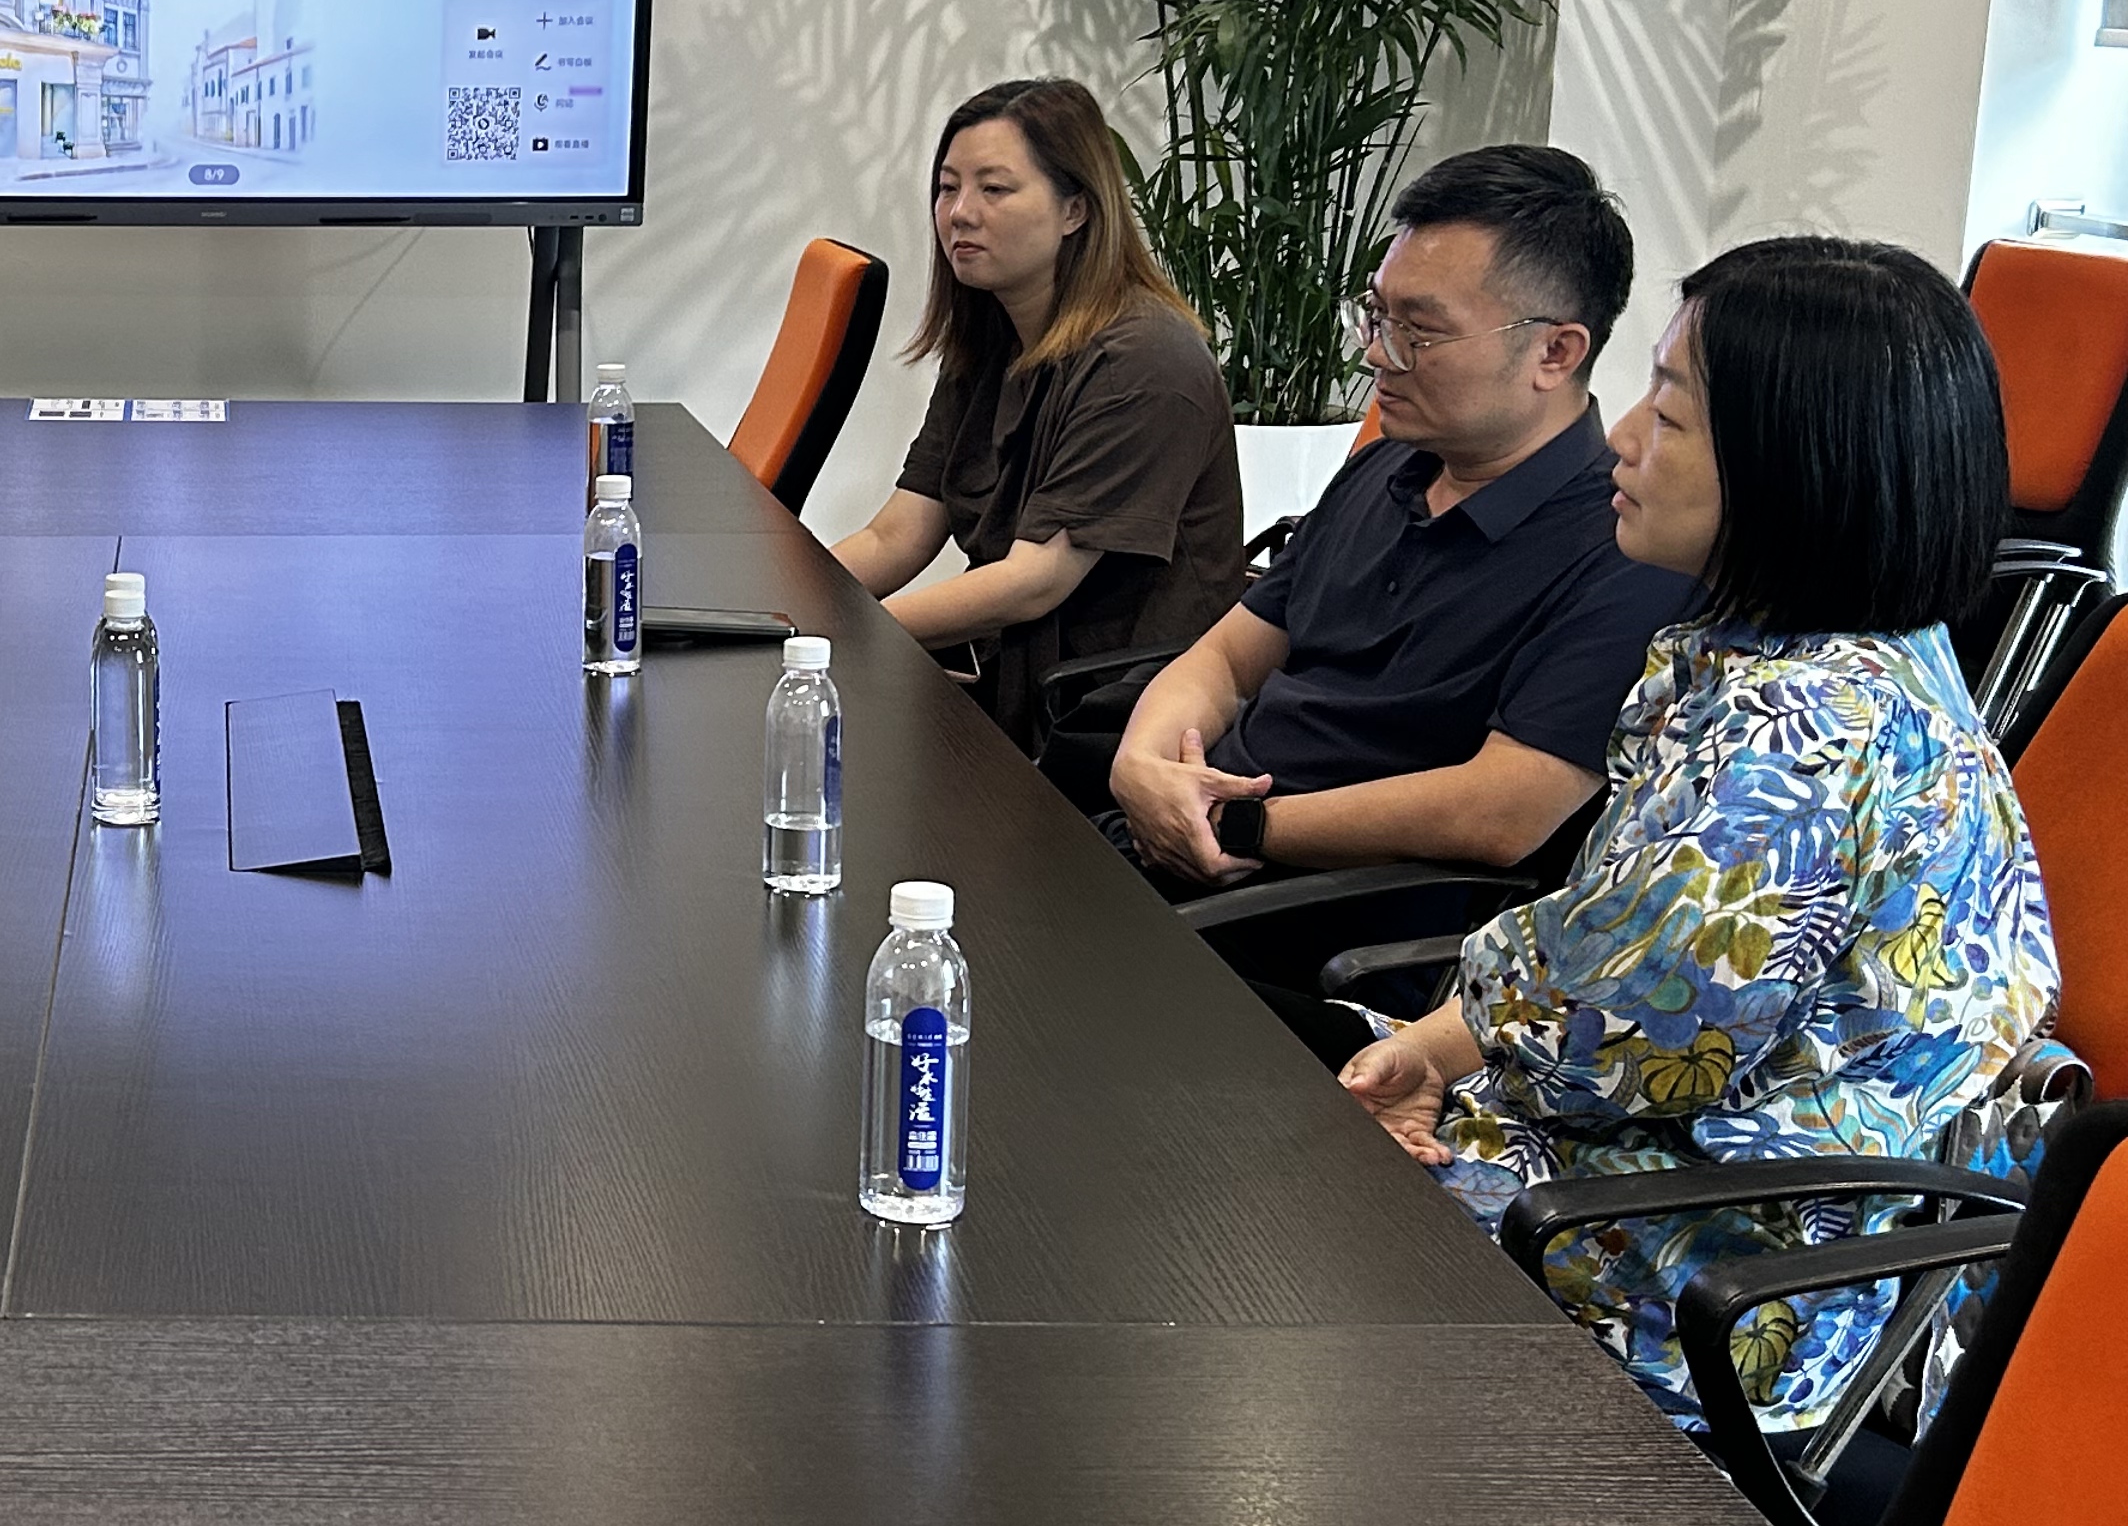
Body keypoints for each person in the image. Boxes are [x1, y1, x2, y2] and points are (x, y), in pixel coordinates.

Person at [1324, 237, 2057, 1435]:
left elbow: (1627, 1035)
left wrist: (1444, 1067)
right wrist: (1439, 1053)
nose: (1622, 438)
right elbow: (1607, 975)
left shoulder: (1799, 738)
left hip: (1694, 1281)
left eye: (1668, 413)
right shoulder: (1845, 653)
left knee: (1246, 1234)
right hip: (1670, 1198)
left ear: (1792, 469)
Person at [1101, 146, 1695, 888]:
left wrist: (1234, 824)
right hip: (1180, 839)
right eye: (1377, 315)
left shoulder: (1625, 544)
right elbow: (1226, 658)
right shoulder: (1386, 467)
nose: (1377, 356)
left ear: (1555, 352)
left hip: (1307, 904)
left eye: (1420, 331)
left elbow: (1504, 811)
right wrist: (1142, 765)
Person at [829, 77, 1246, 743]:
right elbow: (897, 535)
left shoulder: (1143, 362)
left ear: (1075, 209)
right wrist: (786, 608)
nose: (960, 213)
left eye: (994, 189)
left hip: (1107, 718)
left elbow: (1036, 580)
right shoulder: (991, 337)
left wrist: (840, 636)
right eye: (947, 188)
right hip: (1012, 681)